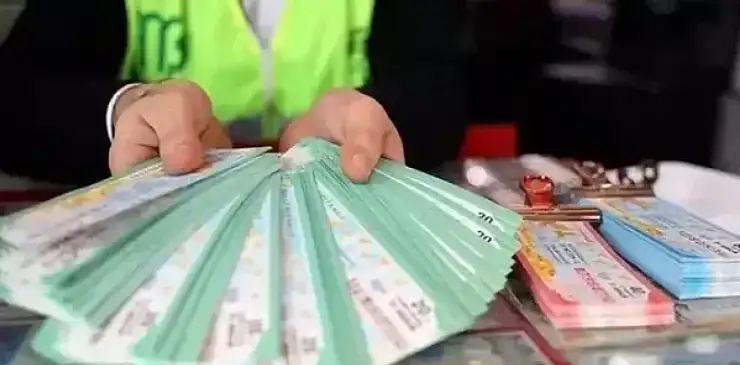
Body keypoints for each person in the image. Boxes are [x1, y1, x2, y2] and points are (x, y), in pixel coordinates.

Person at [0, 0, 468, 186]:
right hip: (167, 228)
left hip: (343, 216)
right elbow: (16, 99)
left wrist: (370, 119)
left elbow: (441, 90)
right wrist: (128, 111)